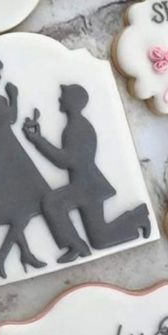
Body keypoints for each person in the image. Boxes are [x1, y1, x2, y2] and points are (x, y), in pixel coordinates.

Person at [23, 84, 147, 251]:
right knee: (100, 240)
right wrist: (38, 139)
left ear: (72, 101)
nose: (60, 99)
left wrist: (38, 140)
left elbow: (66, 161)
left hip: (87, 186)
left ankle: (75, 246)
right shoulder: (75, 126)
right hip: (87, 186)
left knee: (52, 203)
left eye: (63, 96)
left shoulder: (78, 127)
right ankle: (137, 217)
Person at [0, 54, 50, 279]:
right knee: (23, 207)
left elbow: (10, 119)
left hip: (7, 147)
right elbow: (8, 119)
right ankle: (6, 255)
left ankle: (18, 254)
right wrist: (14, 96)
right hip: (5, 152)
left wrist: (13, 98)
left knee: (20, 210)